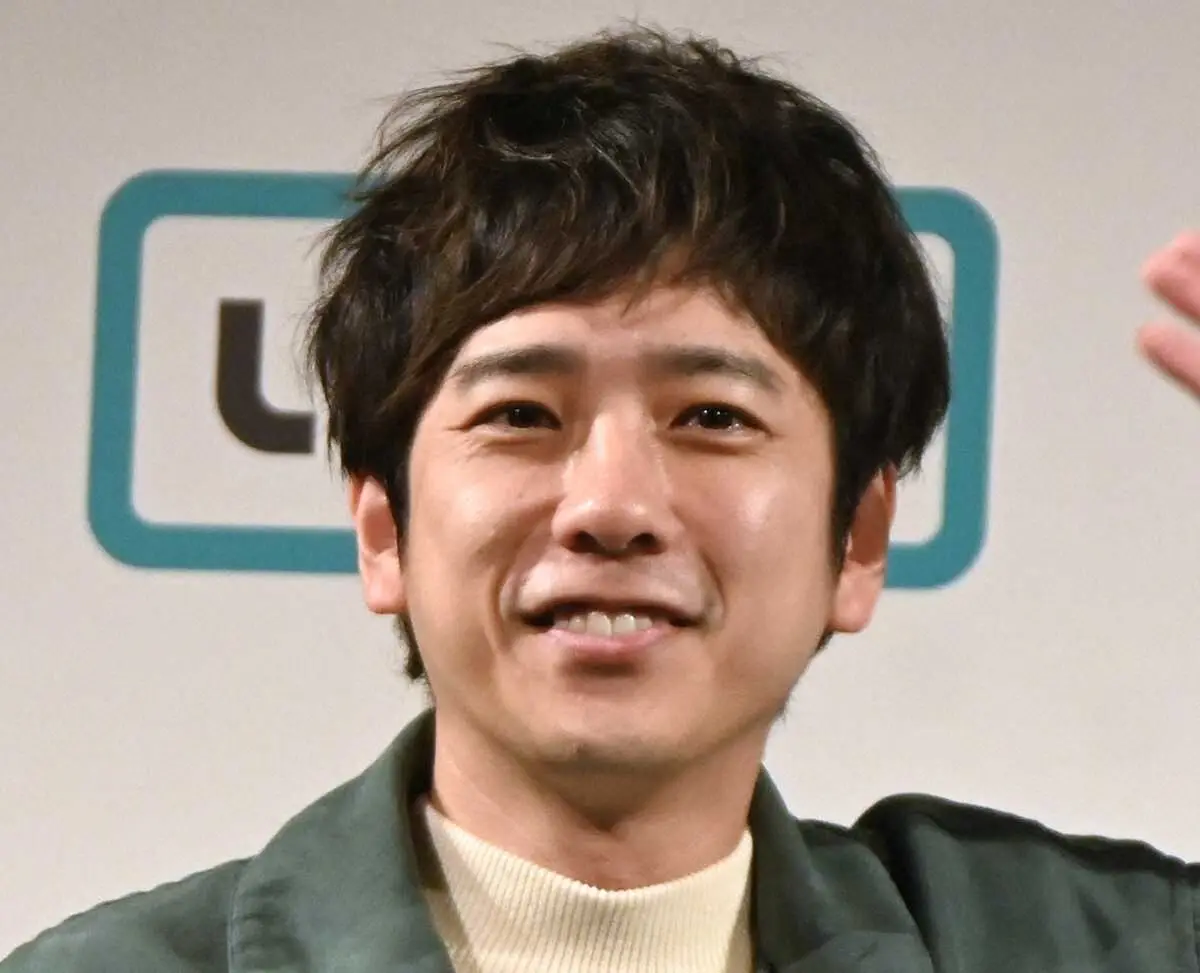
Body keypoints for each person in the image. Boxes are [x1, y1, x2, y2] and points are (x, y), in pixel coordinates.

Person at [5, 25, 1198, 973]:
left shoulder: (1079, 947)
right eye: (523, 414)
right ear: (383, 530)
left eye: (712, 417)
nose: (612, 506)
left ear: (859, 541)